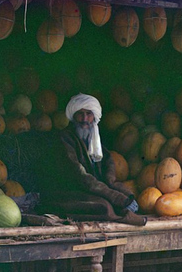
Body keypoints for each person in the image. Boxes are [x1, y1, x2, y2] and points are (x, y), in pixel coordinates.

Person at [36, 93, 145, 226]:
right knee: (104, 206)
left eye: (89, 114)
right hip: (67, 192)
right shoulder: (64, 139)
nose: (84, 119)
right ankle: (124, 217)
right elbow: (80, 176)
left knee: (125, 197)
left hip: (92, 189)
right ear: (73, 116)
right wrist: (116, 197)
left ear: (94, 116)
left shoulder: (94, 139)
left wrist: (121, 194)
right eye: (80, 114)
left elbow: (108, 165)